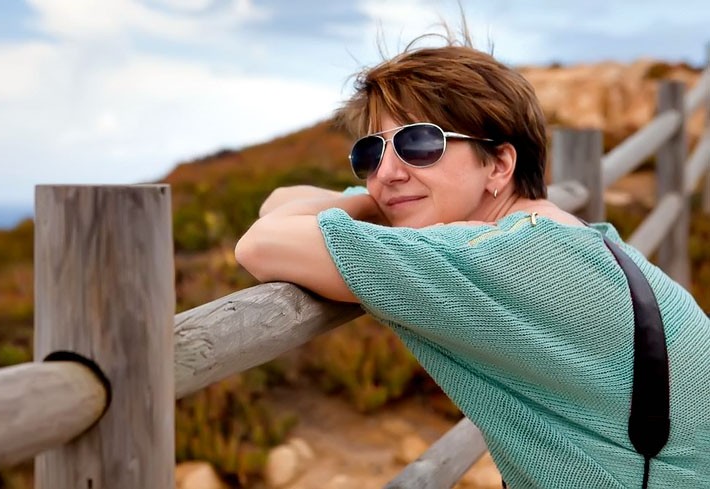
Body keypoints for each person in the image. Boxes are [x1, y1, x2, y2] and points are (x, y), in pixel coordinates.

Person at [234, 31, 710, 488]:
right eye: (371, 153)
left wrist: (377, 204)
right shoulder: (560, 233)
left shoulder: (492, 258)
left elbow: (261, 243)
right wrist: (379, 200)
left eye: (420, 144)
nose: (387, 172)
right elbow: (278, 201)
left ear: (499, 164)